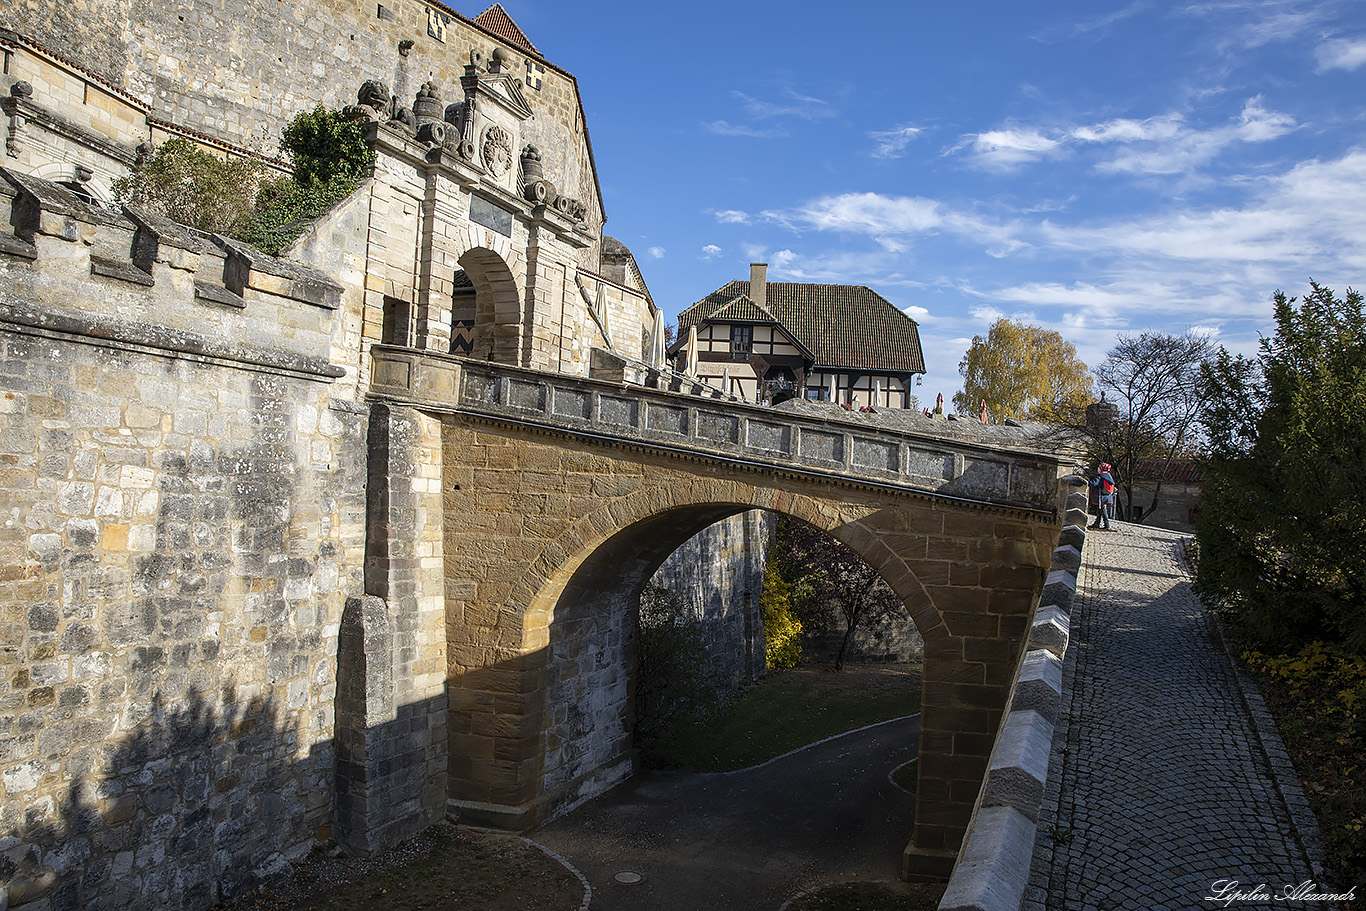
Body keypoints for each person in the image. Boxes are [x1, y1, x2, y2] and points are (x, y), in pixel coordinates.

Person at [1089, 462, 1116, 530]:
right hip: (1107, 496)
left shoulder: (1100, 475)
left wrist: (1088, 483)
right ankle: (1097, 523)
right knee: (1100, 509)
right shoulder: (1108, 475)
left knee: (1103, 510)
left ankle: (1107, 524)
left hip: (1100, 496)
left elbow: (1094, 483)